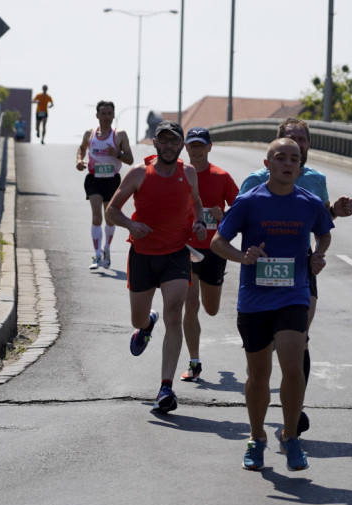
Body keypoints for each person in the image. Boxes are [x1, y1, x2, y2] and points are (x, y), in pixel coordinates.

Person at [211, 137, 334, 471]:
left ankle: (291, 436)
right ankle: (256, 437)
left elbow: (325, 231)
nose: (288, 163)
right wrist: (242, 257)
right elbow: (218, 241)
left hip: (293, 294)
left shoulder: (309, 202)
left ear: (300, 165)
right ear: (267, 165)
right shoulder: (249, 202)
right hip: (254, 298)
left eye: (295, 159)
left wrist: (319, 254)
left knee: (293, 366)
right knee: (258, 375)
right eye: (281, 158)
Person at [239, 117, 352, 437]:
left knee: (299, 337)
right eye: (291, 139)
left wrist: (335, 215)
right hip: (261, 272)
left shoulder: (316, 180)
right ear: (277, 146)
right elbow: (239, 218)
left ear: (307, 146)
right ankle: (259, 393)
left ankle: (295, 409)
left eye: (302, 140)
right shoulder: (254, 181)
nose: (298, 144)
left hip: (300, 267)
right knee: (264, 352)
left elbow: (320, 220)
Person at [105, 121, 207, 414]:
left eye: (174, 141)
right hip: (143, 256)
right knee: (137, 319)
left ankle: (166, 387)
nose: (168, 146)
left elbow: (197, 203)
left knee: (174, 314)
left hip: (176, 253)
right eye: (163, 141)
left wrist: (199, 222)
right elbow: (112, 211)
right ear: (155, 143)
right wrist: (131, 224)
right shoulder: (139, 173)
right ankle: (146, 324)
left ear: (181, 145)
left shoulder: (188, 173)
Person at [180, 127, 238, 382]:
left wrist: (223, 217)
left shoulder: (221, 176)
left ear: (209, 147)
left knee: (211, 309)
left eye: (201, 145)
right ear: (186, 147)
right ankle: (194, 362)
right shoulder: (177, 176)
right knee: (190, 305)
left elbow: (240, 213)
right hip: (186, 248)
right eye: (192, 145)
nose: (197, 150)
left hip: (214, 249)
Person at [75, 100, 134, 270]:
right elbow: (81, 148)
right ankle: (97, 254)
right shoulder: (90, 133)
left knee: (109, 218)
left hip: (112, 180)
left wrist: (118, 154)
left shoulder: (119, 135)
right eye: (103, 114)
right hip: (94, 179)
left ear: (114, 115)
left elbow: (130, 159)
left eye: (109, 114)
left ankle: (107, 249)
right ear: (97, 115)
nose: (107, 117)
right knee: (96, 217)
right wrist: (79, 161)